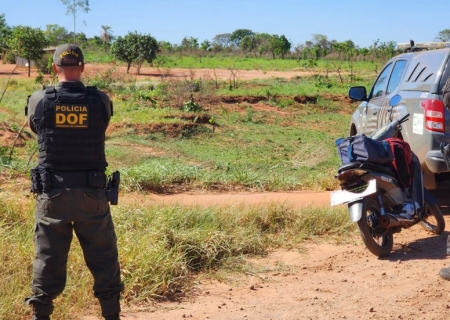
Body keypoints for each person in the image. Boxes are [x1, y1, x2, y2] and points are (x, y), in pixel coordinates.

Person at [24, 44, 124, 320]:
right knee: (104, 257)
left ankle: (41, 316)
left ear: (55, 67)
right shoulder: (100, 100)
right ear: (82, 67)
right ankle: (111, 315)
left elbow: (37, 128)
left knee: (48, 258)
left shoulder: (39, 99)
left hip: (52, 193)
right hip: (92, 194)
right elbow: (101, 126)